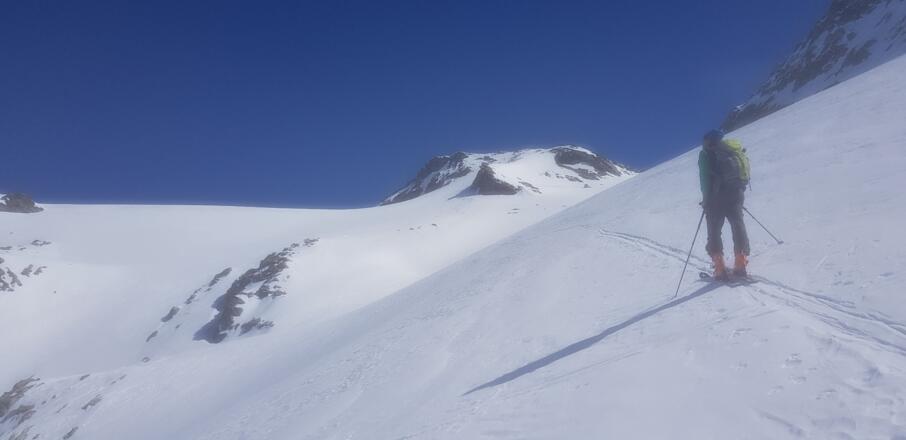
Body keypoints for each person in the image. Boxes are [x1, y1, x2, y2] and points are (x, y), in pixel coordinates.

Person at [699, 129, 751, 280]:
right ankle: (741, 263)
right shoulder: (732, 149)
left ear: (708, 141)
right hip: (736, 192)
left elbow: (705, 179)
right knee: (738, 225)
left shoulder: (706, 154)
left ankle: (720, 268)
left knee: (714, 230)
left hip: (716, 198)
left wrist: (706, 199)